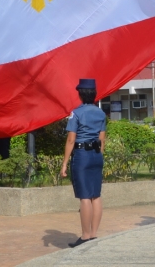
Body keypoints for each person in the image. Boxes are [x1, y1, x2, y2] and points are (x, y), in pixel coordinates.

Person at [60, 78, 107, 247]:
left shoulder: (77, 113)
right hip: (96, 155)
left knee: (85, 196)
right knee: (96, 195)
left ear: (80, 94)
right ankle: (94, 233)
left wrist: (65, 162)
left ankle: (85, 235)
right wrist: (98, 155)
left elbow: (71, 140)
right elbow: (102, 139)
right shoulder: (100, 113)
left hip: (82, 155)